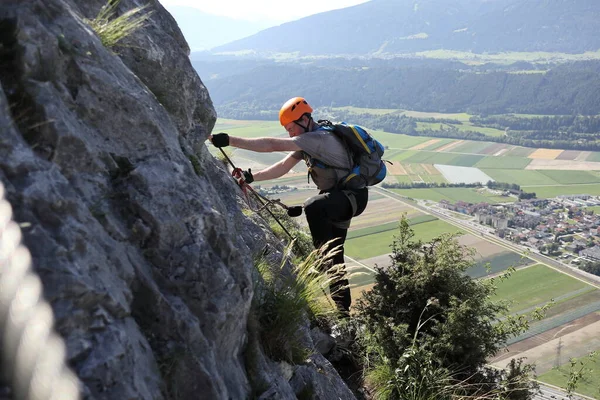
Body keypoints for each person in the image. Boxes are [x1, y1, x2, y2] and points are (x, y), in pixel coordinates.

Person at [209, 97, 368, 315]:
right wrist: (252, 177)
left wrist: (229, 139)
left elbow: (272, 145)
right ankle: (343, 311)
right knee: (335, 256)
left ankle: (319, 261)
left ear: (304, 119)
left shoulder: (318, 138)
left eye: (291, 127)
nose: (290, 133)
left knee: (312, 207)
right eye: (287, 129)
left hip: (350, 198)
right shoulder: (308, 140)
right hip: (342, 199)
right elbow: (283, 167)